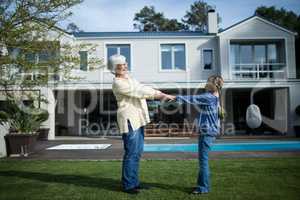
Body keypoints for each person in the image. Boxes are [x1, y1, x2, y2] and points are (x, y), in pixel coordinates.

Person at [108, 54, 174, 194]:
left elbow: (142, 87)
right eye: (122, 65)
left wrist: (159, 93)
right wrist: (161, 95)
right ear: (115, 68)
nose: (125, 66)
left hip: (138, 119)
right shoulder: (118, 83)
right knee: (131, 153)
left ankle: (134, 182)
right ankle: (128, 185)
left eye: (125, 64)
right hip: (130, 120)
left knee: (137, 153)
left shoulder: (130, 79)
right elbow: (139, 91)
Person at [175, 75, 224, 195]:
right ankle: (202, 185)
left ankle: (203, 187)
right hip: (209, 131)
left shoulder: (209, 97)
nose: (206, 84)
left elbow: (193, 98)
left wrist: (176, 97)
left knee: (203, 161)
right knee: (203, 160)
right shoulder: (216, 97)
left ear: (213, 85)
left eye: (208, 82)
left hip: (207, 132)